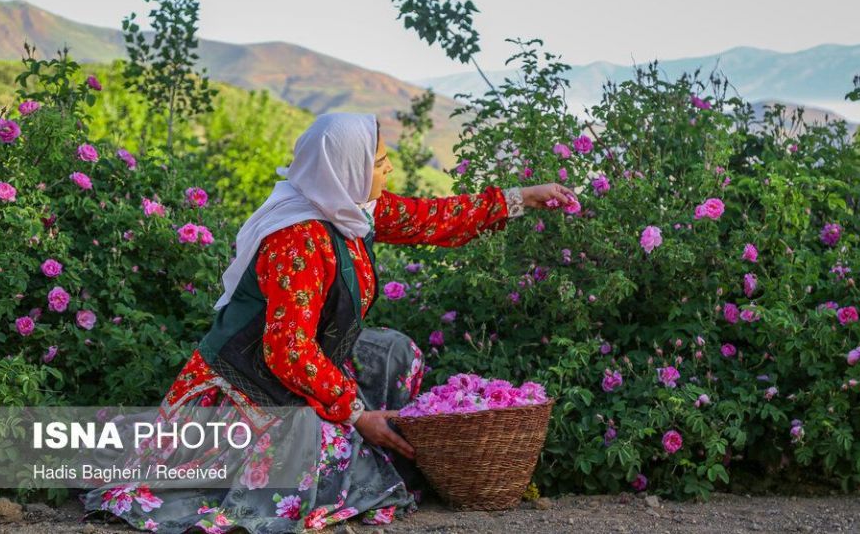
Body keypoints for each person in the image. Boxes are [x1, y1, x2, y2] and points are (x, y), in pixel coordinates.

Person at [79, 112, 575, 532]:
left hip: (299, 368)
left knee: (395, 352)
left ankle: (369, 438)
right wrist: (355, 412)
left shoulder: (348, 209)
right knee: (325, 443)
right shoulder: (297, 237)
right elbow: (287, 352)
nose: (388, 170)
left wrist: (521, 197)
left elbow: (431, 218)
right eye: (380, 163)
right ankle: (355, 438)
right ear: (347, 168)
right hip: (249, 385)